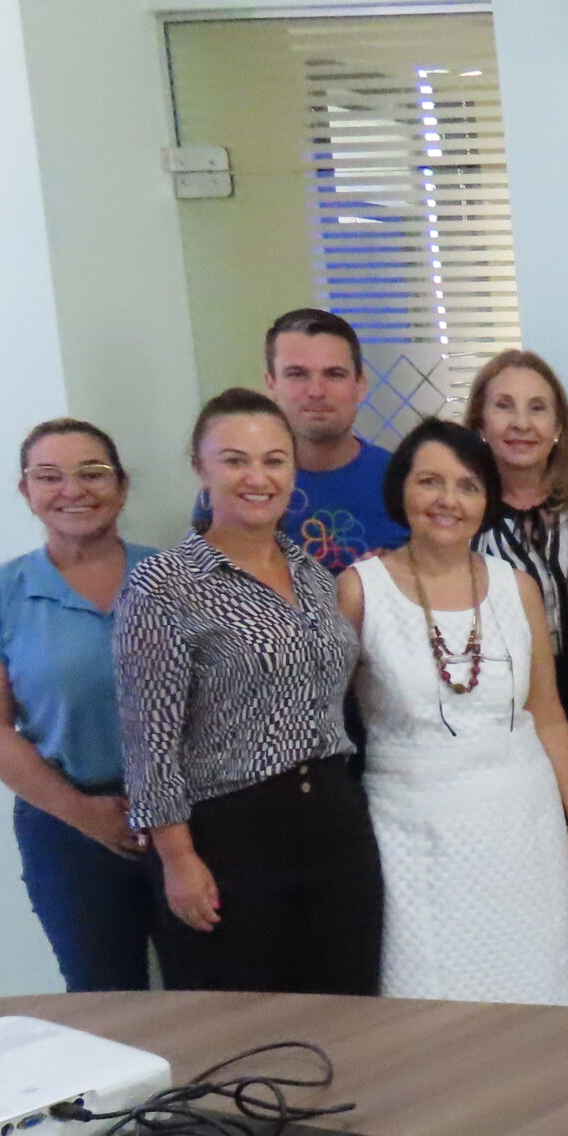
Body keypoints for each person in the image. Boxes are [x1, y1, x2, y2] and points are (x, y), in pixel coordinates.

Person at [114, 390, 382, 993]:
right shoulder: (164, 585)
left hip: (336, 823)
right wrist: (178, 861)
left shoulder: (313, 574)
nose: (257, 478)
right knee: (244, 1027)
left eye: (274, 460)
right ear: (201, 469)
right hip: (229, 835)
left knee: (352, 1012)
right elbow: (148, 744)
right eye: (235, 460)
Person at [337, 420, 568, 1004]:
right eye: (430, 481)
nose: (448, 501)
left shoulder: (518, 587)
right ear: (401, 490)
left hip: (523, 823)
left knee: (539, 988)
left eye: (467, 486)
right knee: (431, 992)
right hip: (412, 829)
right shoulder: (359, 589)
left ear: (486, 499)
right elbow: (329, 719)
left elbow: (548, 714)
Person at [465, 348, 568, 1008]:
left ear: (559, 426)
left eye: (538, 408)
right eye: (504, 405)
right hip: (504, 721)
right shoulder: (458, 521)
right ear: (479, 419)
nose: (521, 422)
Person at [0, 421, 159, 989]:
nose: (72, 490)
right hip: (66, 825)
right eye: (49, 477)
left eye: (92, 473)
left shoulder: (173, 576)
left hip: (185, 818)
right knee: (105, 999)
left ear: (122, 487)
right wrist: (85, 814)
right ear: (26, 492)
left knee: (211, 988)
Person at [265, 308, 403, 572]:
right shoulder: (239, 489)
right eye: (297, 374)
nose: (316, 391)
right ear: (271, 384)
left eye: (334, 374)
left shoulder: (404, 482)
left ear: (360, 385)